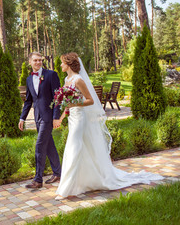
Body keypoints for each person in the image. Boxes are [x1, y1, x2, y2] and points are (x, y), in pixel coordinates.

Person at [55, 52, 163, 198]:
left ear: (68, 64)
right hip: (72, 118)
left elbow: (90, 100)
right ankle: (84, 180)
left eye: (62, 62)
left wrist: (75, 103)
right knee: (82, 148)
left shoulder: (78, 80)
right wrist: (62, 118)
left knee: (73, 148)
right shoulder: (67, 79)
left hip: (80, 118)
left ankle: (66, 189)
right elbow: (67, 104)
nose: (60, 65)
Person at [19, 52, 62, 189]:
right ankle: (58, 172)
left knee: (40, 146)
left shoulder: (51, 75)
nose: (38, 62)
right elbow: (29, 101)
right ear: (30, 62)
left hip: (48, 117)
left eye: (40, 60)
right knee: (49, 145)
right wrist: (22, 118)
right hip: (37, 117)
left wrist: (56, 117)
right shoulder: (29, 79)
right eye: (35, 60)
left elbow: (58, 98)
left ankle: (38, 180)